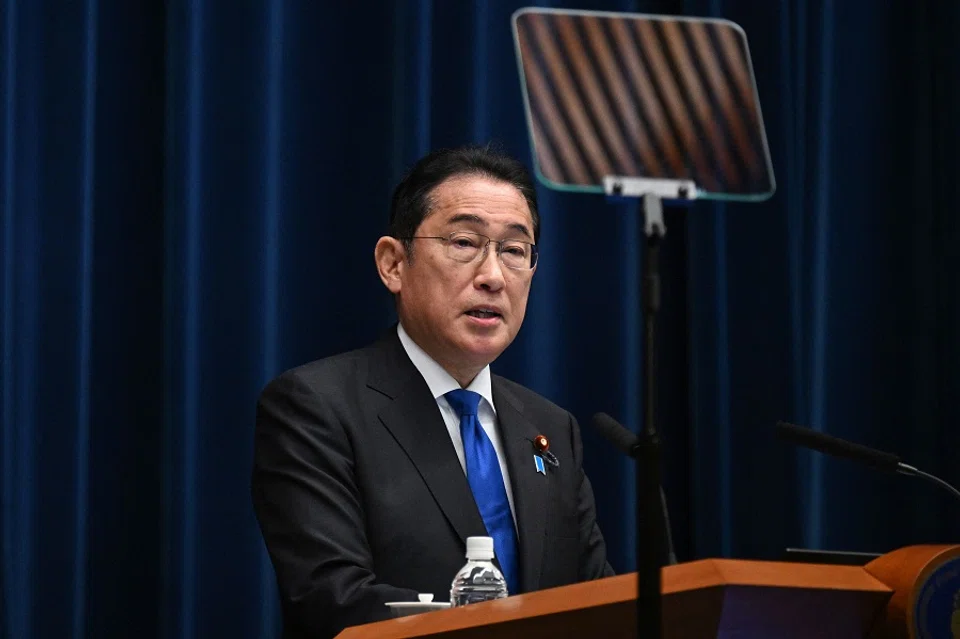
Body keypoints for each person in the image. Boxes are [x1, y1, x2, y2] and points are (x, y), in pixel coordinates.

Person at [252, 144, 613, 639]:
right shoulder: (317, 407)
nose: (492, 276)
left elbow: (595, 599)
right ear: (393, 264)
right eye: (464, 242)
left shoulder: (550, 428)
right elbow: (332, 602)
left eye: (513, 250)